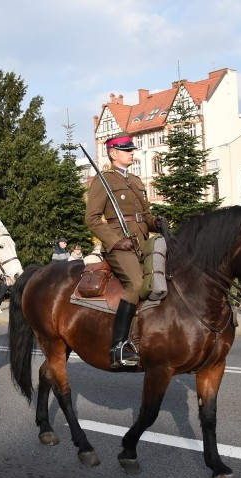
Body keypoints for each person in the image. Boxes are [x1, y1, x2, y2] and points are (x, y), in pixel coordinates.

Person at [86, 131, 162, 369]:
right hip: (119, 245)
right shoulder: (104, 180)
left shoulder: (136, 181)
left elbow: (144, 216)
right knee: (137, 285)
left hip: (141, 242)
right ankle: (118, 346)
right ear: (113, 153)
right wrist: (116, 241)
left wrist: (156, 223)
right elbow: (92, 218)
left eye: (131, 150)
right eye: (127, 150)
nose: (131, 153)